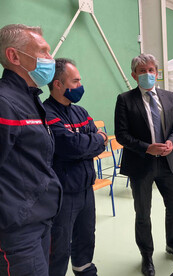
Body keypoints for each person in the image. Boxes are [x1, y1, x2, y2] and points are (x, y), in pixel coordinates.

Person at [114, 53, 173, 276]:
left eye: (151, 70)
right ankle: (146, 255)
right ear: (134, 75)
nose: (148, 74)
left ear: (157, 72)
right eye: (143, 71)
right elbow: (121, 135)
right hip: (141, 164)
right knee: (143, 212)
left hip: (167, 162)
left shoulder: (169, 97)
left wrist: (171, 142)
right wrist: (147, 147)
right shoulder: (125, 99)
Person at [0, 24, 62, 275]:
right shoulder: (5, 103)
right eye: (44, 52)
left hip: (38, 220)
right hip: (16, 231)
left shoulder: (30, 99)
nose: (51, 59)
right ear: (14, 56)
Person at [44, 58, 107, 276]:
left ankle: (85, 270)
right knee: (59, 246)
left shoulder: (80, 112)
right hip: (63, 193)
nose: (80, 86)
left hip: (85, 188)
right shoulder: (47, 114)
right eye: (76, 81)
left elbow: (98, 142)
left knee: (86, 236)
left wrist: (89, 143)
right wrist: (92, 141)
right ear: (58, 84)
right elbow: (70, 146)